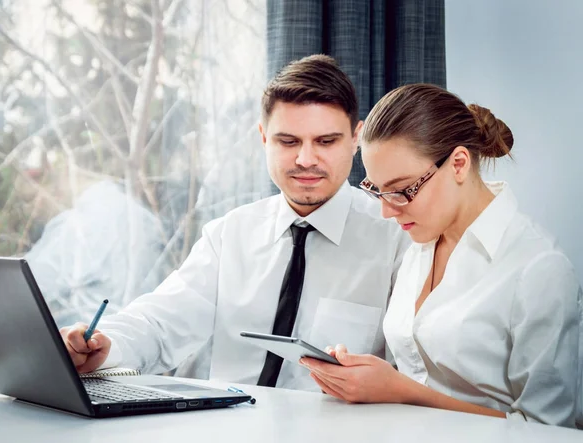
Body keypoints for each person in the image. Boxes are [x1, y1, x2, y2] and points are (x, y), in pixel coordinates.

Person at [60, 54, 410, 391]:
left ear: (355, 139)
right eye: (288, 141)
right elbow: (160, 321)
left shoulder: (397, 238)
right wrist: (105, 344)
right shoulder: (230, 234)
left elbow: (411, 369)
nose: (305, 159)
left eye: (325, 141)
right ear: (263, 138)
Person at [301, 83, 583, 427]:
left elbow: (549, 430)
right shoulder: (419, 241)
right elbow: (418, 371)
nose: (387, 212)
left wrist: (399, 391)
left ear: (459, 164)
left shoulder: (539, 270)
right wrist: (361, 376)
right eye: (377, 190)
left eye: (402, 190)